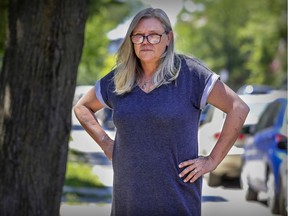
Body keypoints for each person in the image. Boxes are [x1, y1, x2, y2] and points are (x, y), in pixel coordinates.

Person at [73, 7, 249, 216]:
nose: (145, 41)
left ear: (168, 39)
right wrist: (107, 144)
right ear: (131, 40)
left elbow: (238, 107)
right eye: (138, 35)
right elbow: (82, 107)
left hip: (177, 203)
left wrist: (211, 161)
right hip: (128, 204)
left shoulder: (190, 74)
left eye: (154, 35)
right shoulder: (120, 78)